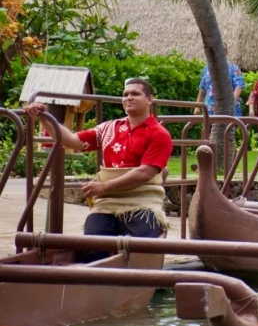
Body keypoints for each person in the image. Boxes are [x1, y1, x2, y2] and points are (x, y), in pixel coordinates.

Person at [22, 79, 173, 259]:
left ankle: (134, 279)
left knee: (141, 248)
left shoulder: (159, 134)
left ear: (150, 99)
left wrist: (104, 187)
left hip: (142, 201)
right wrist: (45, 118)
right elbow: (72, 141)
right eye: (125, 94)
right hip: (107, 202)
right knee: (92, 246)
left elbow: (145, 173)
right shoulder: (109, 128)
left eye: (135, 94)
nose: (128, 98)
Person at [195, 45, 245, 117]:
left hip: (228, 112)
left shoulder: (234, 69)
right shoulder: (207, 69)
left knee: (227, 128)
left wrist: (228, 105)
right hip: (209, 111)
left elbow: (238, 88)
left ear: (226, 52)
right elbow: (202, 88)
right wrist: (197, 106)